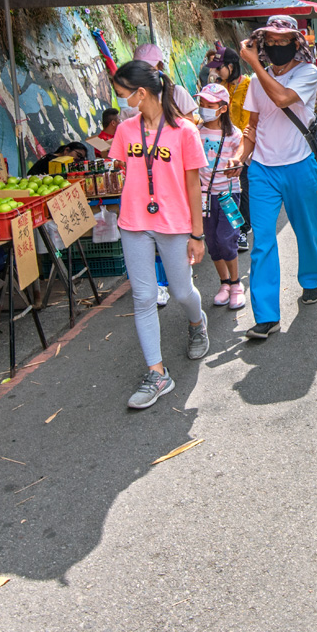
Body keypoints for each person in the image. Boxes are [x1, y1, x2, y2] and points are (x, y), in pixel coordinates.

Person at [107, 60, 209, 410]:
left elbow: (194, 186)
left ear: (141, 92)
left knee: (181, 291)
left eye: (123, 94)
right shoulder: (125, 130)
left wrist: (197, 234)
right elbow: (126, 172)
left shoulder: (184, 131)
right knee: (144, 296)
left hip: (176, 224)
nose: (121, 100)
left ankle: (197, 322)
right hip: (133, 223)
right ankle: (157, 372)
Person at [236, 14, 317, 341]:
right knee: (262, 241)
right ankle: (267, 315)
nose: (275, 47)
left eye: (282, 42)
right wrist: (240, 157)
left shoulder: (307, 72)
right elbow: (253, 125)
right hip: (262, 170)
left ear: (294, 43)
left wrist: (255, 67)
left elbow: (283, 99)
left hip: (299, 164)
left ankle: (311, 279)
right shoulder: (255, 82)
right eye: (269, 42)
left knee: (307, 229)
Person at [196, 83, 246, 310]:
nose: (204, 109)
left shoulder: (234, 135)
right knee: (213, 242)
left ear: (223, 108)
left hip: (228, 194)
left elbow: (241, 158)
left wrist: (239, 164)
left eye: (210, 105)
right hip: (204, 197)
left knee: (227, 238)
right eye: (202, 104)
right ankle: (224, 283)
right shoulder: (195, 132)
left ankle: (236, 283)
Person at [215, 47, 252, 251]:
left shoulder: (249, 85)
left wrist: (243, 148)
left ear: (230, 66)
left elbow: (250, 119)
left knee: (242, 187)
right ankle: (228, 227)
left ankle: (243, 229)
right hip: (222, 146)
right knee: (224, 189)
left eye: (219, 67)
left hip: (243, 146)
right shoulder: (221, 87)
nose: (217, 72)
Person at [133, 43, 197, 115]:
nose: (143, 71)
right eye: (139, 67)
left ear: (160, 66)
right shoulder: (131, 96)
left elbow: (190, 123)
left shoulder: (176, 93)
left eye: (148, 67)